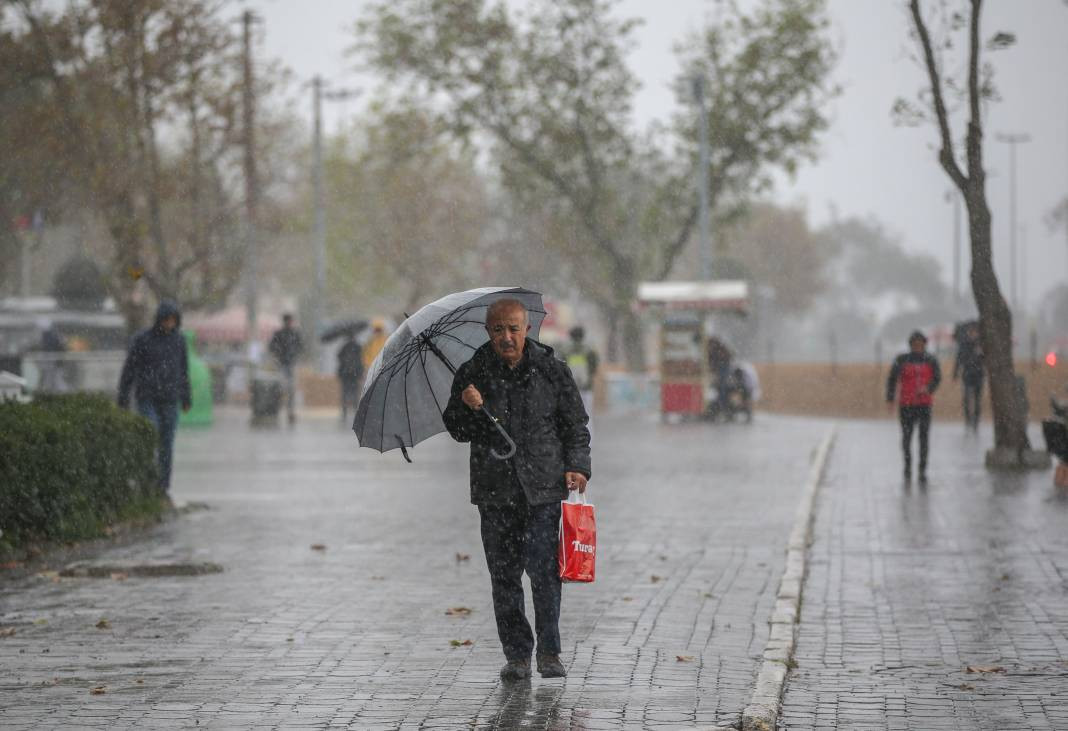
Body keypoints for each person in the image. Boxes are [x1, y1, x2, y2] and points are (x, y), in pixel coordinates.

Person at [442, 299, 591, 682]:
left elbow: (574, 424)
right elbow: (458, 430)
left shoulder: (552, 371)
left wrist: (577, 465)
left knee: (544, 574)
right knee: (504, 577)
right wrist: (468, 407)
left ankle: (550, 651)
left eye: (513, 329)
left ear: (526, 329)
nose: (506, 337)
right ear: (488, 332)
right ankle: (518, 655)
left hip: (543, 489)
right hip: (495, 492)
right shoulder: (472, 373)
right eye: (497, 330)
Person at [118, 300, 191, 493]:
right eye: (167, 320)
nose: (169, 324)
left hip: (170, 398)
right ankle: (147, 480)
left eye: (173, 320)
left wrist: (185, 397)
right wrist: (123, 396)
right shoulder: (142, 340)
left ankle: (163, 485)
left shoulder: (179, 341)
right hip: (147, 396)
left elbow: (183, 370)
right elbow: (130, 369)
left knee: (167, 443)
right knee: (151, 434)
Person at [886, 330, 942, 483]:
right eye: (915, 344)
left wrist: (928, 388)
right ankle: (907, 466)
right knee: (906, 438)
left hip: (924, 405)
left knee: (923, 438)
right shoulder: (902, 359)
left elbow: (937, 378)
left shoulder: (931, 360)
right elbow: (892, 379)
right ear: (910, 345)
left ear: (924, 344)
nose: (918, 347)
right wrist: (890, 399)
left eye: (920, 344)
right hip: (906, 405)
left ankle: (922, 469)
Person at [562, 326, 599, 434]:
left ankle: (574, 441)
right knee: (588, 415)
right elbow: (594, 367)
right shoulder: (589, 350)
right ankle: (588, 441)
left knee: (571, 416)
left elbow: (562, 368)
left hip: (571, 389)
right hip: (586, 388)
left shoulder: (566, 350)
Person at [269, 313, 304, 425]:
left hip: (291, 365)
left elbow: (301, 347)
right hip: (282, 365)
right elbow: (271, 347)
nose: (289, 323)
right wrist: (279, 353)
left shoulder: (294, 334)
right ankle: (278, 410)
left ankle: (290, 412)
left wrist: (294, 354)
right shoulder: (279, 334)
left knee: (290, 390)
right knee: (281, 389)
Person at [953, 321, 984, 431]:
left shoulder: (981, 344)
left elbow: (985, 360)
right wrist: (955, 373)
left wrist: (981, 354)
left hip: (979, 375)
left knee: (977, 400)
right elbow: (959, 359)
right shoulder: (964, 344)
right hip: (967, 375)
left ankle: (975, 421)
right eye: (971, 331)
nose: (973, 333)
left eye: (975, 331)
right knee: (966, 399)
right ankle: (968, 421)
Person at [336, 332, 364, 425]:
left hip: (345, 373)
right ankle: (356, 410)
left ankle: (344, 411)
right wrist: (360, 372)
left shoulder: (344, 347)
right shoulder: (358, 347)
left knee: (345, 392)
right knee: (355, 392)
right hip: (354, 373)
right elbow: (361, 359)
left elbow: (338, 357)